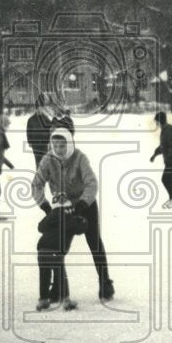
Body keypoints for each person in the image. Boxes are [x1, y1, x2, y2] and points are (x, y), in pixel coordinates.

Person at [32, 128, 115, 302]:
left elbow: (91, 183)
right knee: (58, 245)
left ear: (69, 144)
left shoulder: (79, 158)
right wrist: (45, 206)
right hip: (62, 208)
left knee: (94, 242)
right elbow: (36, 184)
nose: (59, 149)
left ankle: (105, 282)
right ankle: (57, 287)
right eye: (55, 145)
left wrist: (83, 203)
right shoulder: (48, 160)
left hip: (85, 205)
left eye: (62, 146)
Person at [36, 197, 87, 312]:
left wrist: (50, 216)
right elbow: (81, 228)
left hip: (42, 251)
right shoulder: (68, 219)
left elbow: (40, 227)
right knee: (61, 275)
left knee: (44, 275)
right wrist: (81, 219)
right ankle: (66, 300)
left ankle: (43, 299)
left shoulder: (50, 218)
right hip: (55, 250)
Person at [150, 111, 172, 208]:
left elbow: (171, 146)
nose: (156, 124)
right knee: (169, 179)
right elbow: (163, 146)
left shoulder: (168, 131)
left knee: (167, 179)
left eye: (156, 121)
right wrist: (155, 154)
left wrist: (169, 157)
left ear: (159, 121)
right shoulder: (165, 130)